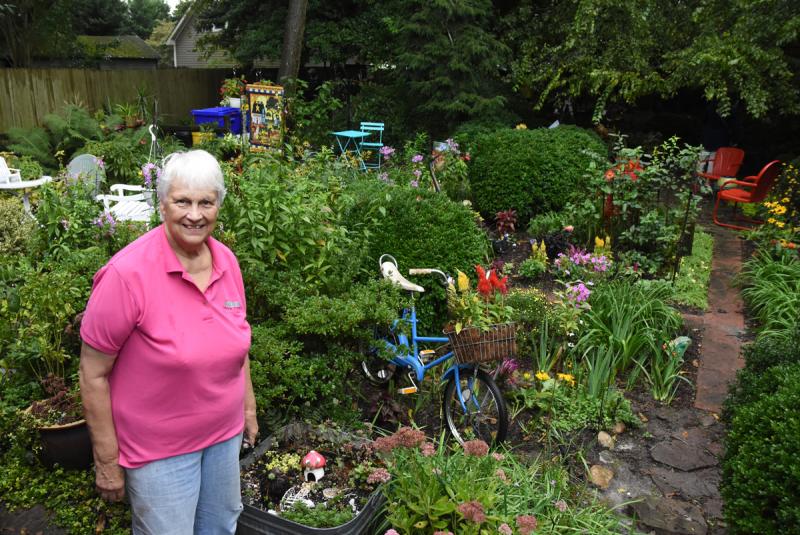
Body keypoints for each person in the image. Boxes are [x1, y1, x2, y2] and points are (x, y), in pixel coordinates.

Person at [79, 149, 258, 534]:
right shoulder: (126, 275)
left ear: (218, 206)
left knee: (220, 527)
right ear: (163, 205)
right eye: (182, 201)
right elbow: (93, 374)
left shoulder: (227, 262)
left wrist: (248, 410)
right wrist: (107, 460)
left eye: (205, 202)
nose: (194, 214)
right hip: (159, 452)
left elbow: (237, 345)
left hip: (223, 438)